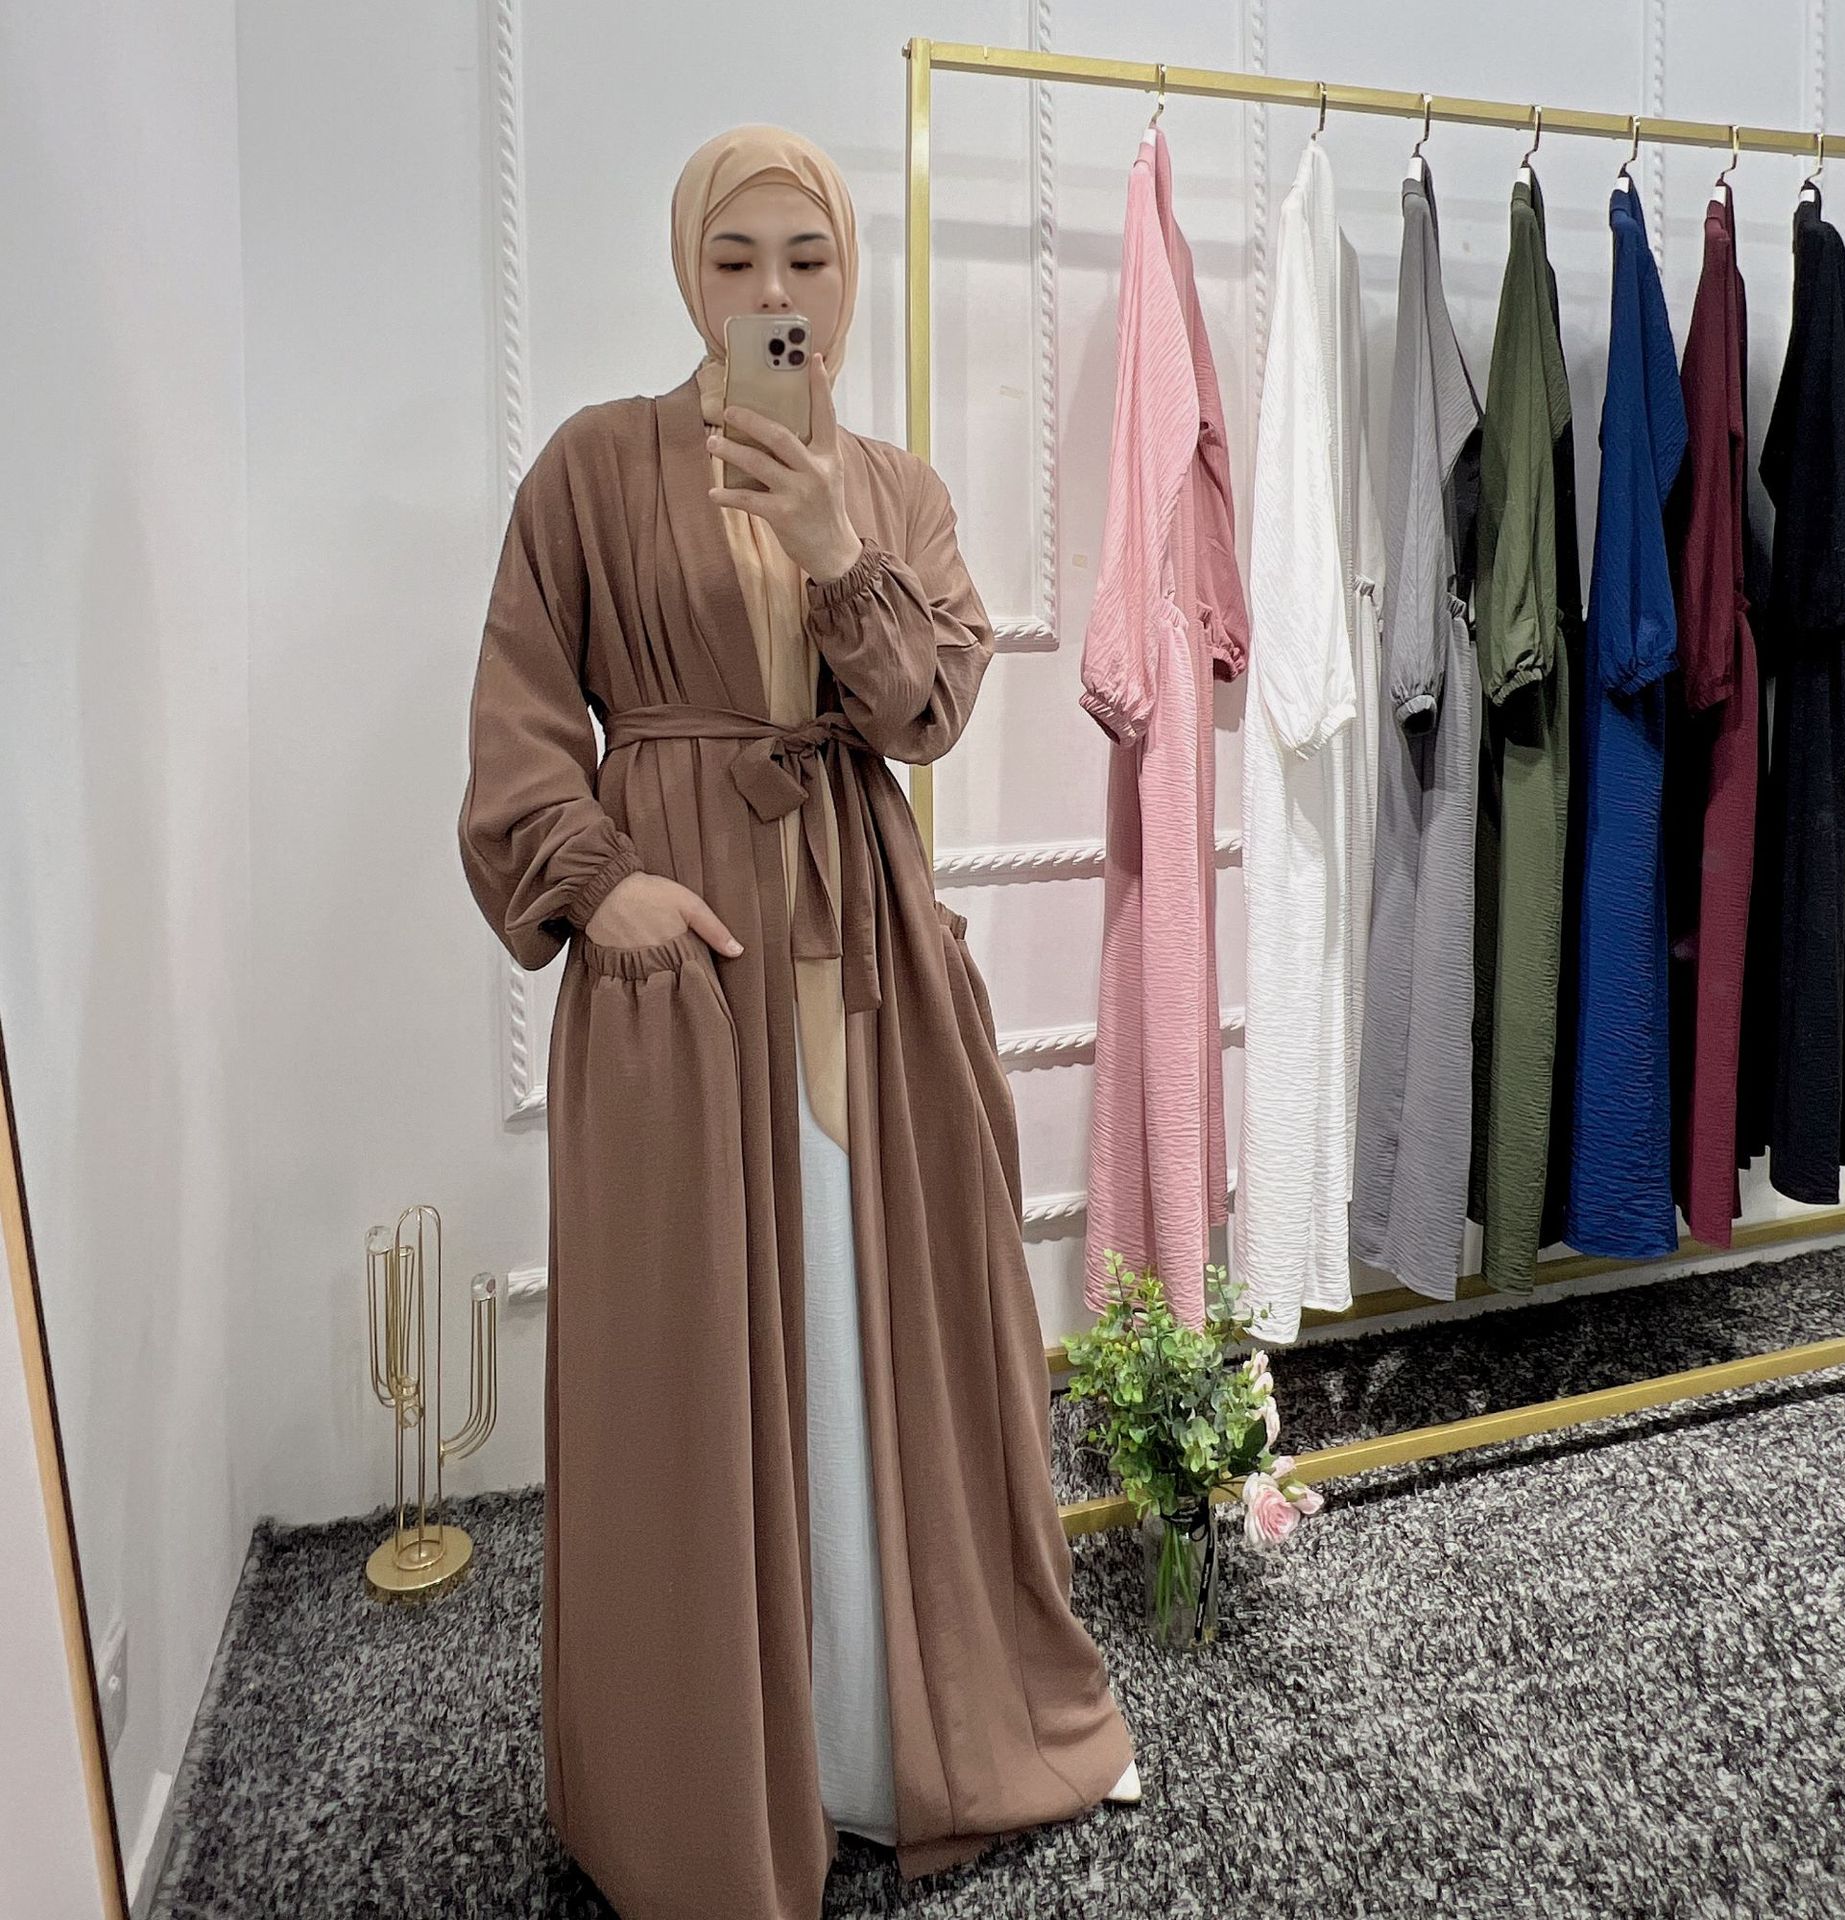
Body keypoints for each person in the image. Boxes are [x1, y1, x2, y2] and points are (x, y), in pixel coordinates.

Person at [456, 123, 1138, 1920]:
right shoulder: (593, 466)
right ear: (690, 274)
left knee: (875, 1314)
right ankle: (713, 1783)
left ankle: (887, 1739)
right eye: (738, 258)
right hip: (680, 972)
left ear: (847, 275)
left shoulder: (897, 489)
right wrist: (599, 885)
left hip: (864, 953)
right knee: (694, 1356)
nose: (776, 292)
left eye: (808, 260)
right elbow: (520, 716)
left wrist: (840, 548)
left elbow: (927, 717)